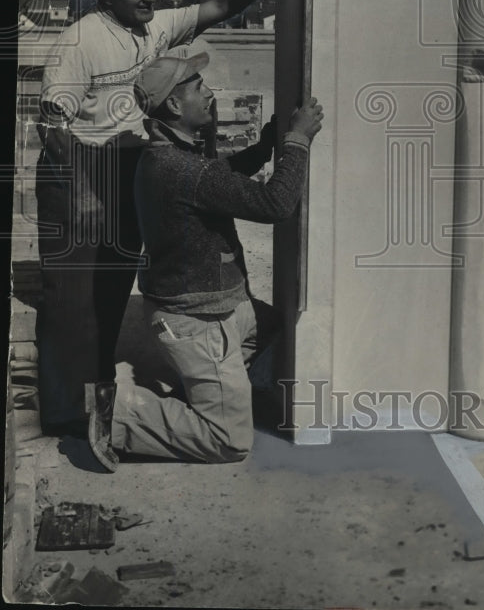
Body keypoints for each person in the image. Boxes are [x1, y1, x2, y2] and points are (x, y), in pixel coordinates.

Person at [36, 0, 289, 434]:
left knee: (111, 288)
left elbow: (218, 7)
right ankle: (62, 412)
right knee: (71, 299)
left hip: (129, 169)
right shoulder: (79, 42)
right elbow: (51, 125)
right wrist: (84, 192)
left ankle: (98, 393)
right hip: (79, 173)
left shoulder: (155, 27)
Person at [86, 52, 323, 469]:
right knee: (229, 441)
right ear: (175, 106)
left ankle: (210, 394)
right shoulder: (185, 171)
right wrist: (297, 141)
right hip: (199, 324)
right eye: (199, 86)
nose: (210, 92)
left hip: (218, 311)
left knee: (278, 330)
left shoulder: (165, 157)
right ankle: (118, 412)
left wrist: (265, 146)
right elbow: (275, 203)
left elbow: (218, 178)